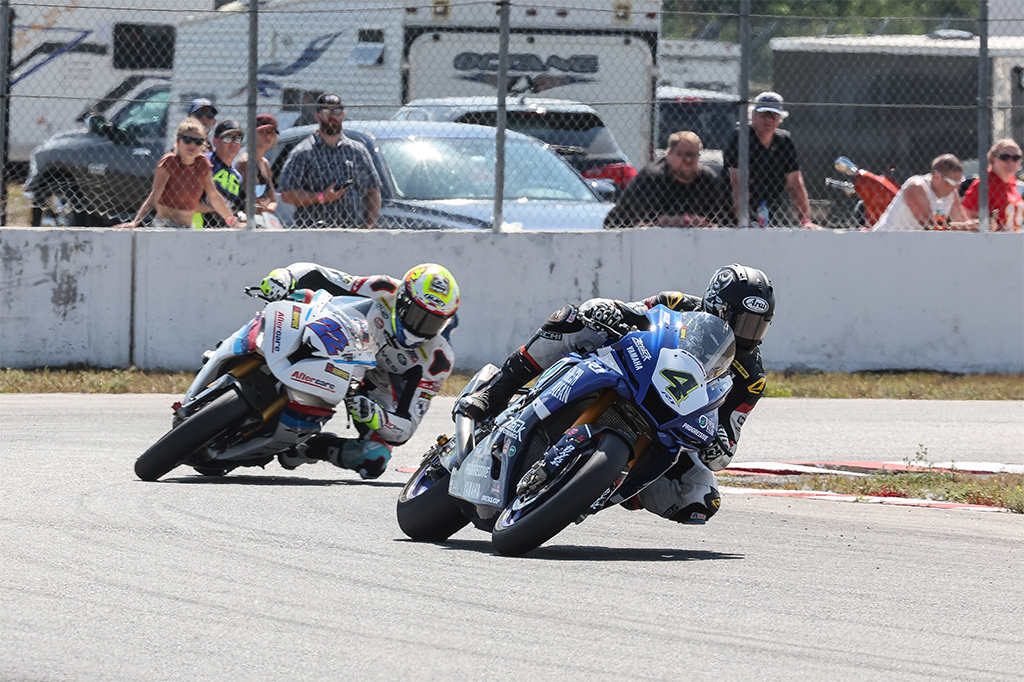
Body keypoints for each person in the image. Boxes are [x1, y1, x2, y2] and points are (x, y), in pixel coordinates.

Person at [458, 264, 775, 526]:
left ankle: (600, 484)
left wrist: (720, 446)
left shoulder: (752, 379)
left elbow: (727, 443)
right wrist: (608, 311)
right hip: (635, 374)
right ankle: (496, 392)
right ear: (717, 306)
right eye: (743, 322)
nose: (748, 334)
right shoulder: (677, 303)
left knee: (700, 498)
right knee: (574, 319)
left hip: (673, 422)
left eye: (758, 326)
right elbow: (632, 312)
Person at [257, 262, 460, 479]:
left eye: (432, 322)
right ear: (402, 298)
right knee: (301, 297)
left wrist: (375, 415)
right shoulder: (383, 288)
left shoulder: (438, 359)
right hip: (343, 344)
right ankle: (244, 349)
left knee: (374, 458)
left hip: (376, 387)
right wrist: (284, 276)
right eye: (416, 315)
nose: (419, 328)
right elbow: (320, 274)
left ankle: (310, 448)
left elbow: (405, 428)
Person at [113, 117, 241, 229]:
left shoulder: (203, 164)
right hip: (165, 225)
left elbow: (213, 195)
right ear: (179, 142)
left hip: (187, 227)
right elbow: (155, 195)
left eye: (198, 141)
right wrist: (136, 222)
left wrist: (232, 222)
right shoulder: (169, 162)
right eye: (187, 140)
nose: (193, 145)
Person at [278, 93, 382, 229]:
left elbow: (373, 191)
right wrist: (322, 197)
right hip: (315, 233)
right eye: (326, 112)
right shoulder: (303, 152)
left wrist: (369, 226)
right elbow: (287, 195)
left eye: (336, 112)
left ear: (343, 115)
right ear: (317, 116)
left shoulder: (358, 151)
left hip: (354, 233)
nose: (332, 116)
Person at [724, 91, 821, 229]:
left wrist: (806, 221)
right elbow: (738, 184)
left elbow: (795, 184)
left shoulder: (784, 141)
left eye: (774, 116)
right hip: (734, 215)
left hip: (772, 212)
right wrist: (746, 221)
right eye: (764, 115)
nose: (769, 120)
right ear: (753, 115)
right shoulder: (741, 137)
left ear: (780, 119)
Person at [603, 131, 733, 228]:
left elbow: (727, 220)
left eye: (693, 155)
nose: (688, 160)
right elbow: (618, 221)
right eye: (682, 154)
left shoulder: (706, 179)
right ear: (669, 154)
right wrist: (667, 222)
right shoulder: (652, 178)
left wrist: (704, 224)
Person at [872, 154, 975, 231]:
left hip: (913, 244)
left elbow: (962, 222)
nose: (956, 187)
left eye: (959, 183)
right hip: (885, 241)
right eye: (952, 182)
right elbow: (929, 225)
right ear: (937, 177)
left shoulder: (951, 193)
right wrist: (962, 226)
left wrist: (977, 225)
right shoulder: (917, 187)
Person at [961, 139, 1023, 232]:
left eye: (1015, 158)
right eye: (1004, 157)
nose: (1010, 162)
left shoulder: (1012, 181)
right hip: (992, 238)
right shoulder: (984, 184)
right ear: (994, 159)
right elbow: (966, 216)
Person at [196, 119, 245, 229]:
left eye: (238, 138)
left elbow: (234, 209)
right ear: (215, 141)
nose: (233, 143)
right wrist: (215, 207)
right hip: (197, 228)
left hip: (224, 232)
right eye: (228, 138)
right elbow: (186, 203)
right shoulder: (204, 162)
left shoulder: (237, 178)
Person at [234, 113, 281, 226]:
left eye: (272, 133)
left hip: (262, 219)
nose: (269, 136)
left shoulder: (265, 164)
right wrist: (264, 206)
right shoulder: (246, 163)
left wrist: (269, 207)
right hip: (244, 220)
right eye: (264, 132)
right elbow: (253, 201)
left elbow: (273, 199)